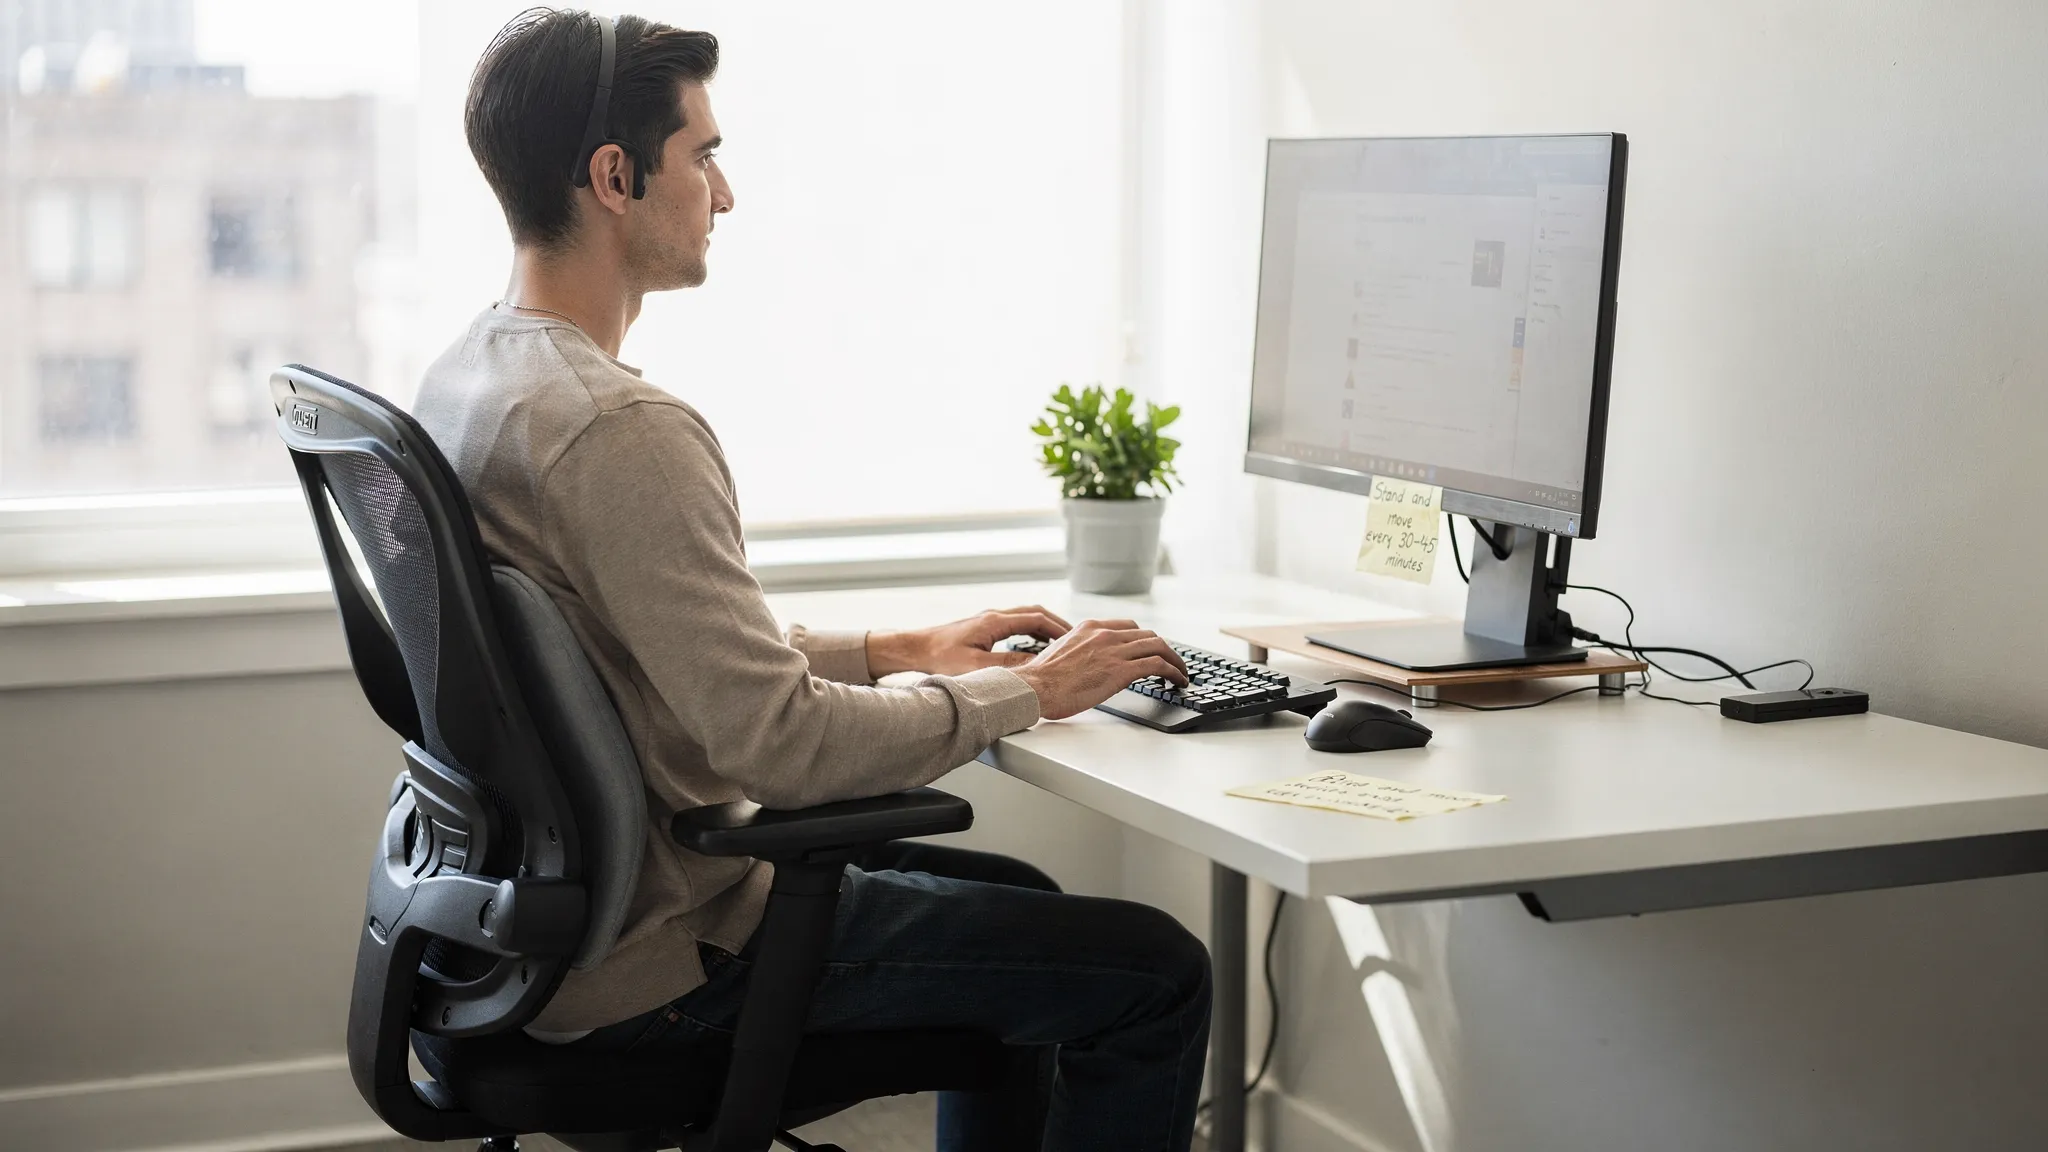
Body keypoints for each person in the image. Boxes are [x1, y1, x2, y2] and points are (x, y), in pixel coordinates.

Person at [409, 9, 1212, 1149]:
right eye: (703, 156)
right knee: (1156, 974)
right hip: (661, 960)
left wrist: (897, 653)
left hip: (532, 929)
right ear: (613, 176)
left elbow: (645, 655)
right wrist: (1036, 690)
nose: (724, 196)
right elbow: (776, 748)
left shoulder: (473, 384)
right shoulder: (615, 427)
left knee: (1028, 909)